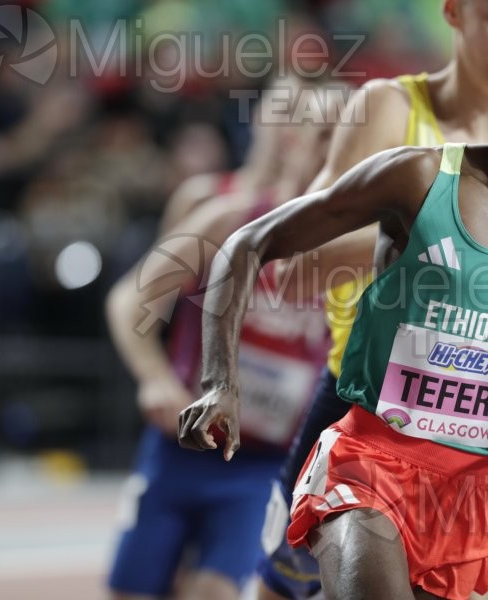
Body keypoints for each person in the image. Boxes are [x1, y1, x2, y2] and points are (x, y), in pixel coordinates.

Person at [178, 6, 488, 599]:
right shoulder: (409, 159)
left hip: (479, 482)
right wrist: (219, 381)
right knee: (281, 590)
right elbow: (259, 247)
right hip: (366, 438)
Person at [105, 78, 339, 600]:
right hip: (179, 448)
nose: (333, 150)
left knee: (213, 591)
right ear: (293, 138)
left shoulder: (356, 249)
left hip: (261, 463)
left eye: (343, 138)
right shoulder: (226, 212)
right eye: (321, 134)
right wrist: (156, 380)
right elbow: (133, 301)